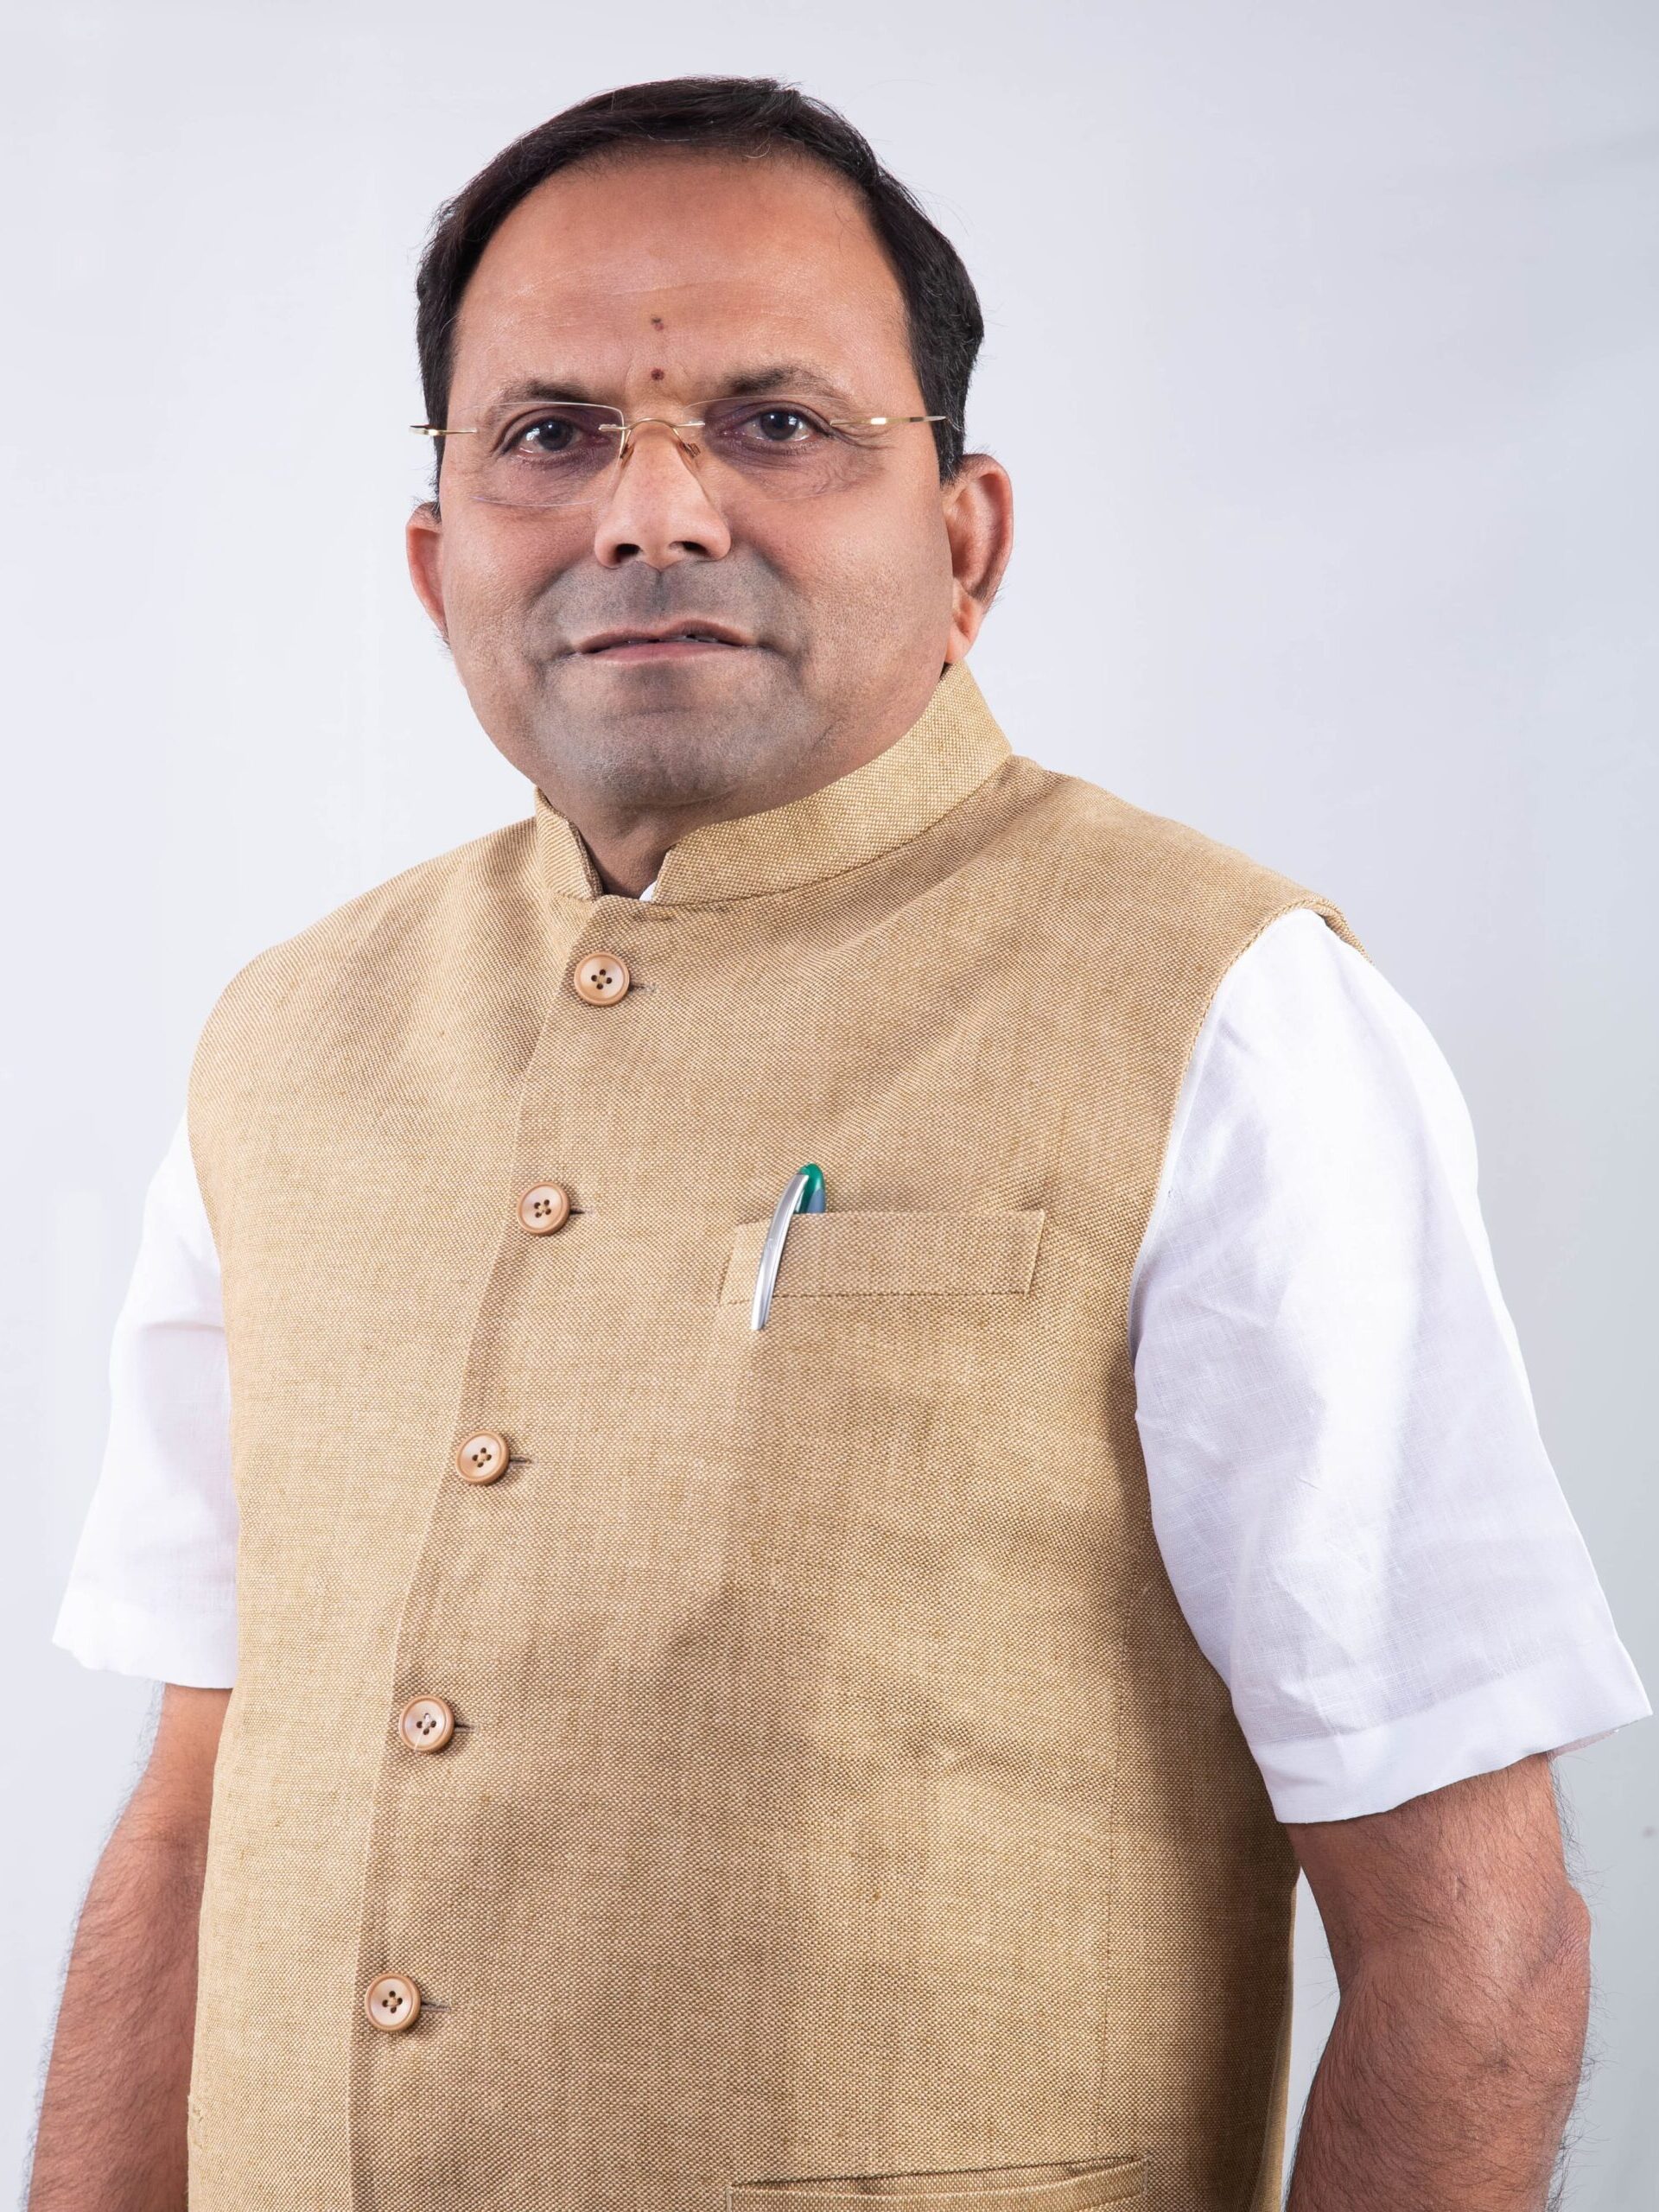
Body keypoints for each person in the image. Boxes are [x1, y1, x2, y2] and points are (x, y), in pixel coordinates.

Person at [33, 73, 1649, 2212]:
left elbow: (1476, 1944)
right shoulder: (285, 1039)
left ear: (966, 541)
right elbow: (191, 1810)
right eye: (552, 434)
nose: (651, 512)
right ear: (438, 563)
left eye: (776, 423)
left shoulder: (1226, 1010)